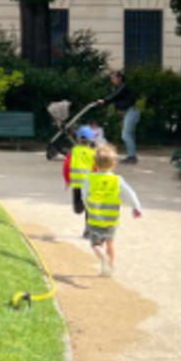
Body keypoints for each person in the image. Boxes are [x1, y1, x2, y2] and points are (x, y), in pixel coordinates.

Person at [83, 145, 143, 277]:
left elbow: (84, 194)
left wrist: (88, 206)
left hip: (95, 217)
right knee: (110, 242)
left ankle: (102, 257)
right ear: (114, 164)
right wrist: (136, 207)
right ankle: (108, 268)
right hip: (111, 218)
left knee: (95, 244)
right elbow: (130, 193)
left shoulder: (90, 178)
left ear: (95, 163)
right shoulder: (117, 180)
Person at [96, 71, 140, 164]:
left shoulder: (123, 87)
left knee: (126, 134)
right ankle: (131, 156)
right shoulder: (118, 88)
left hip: (131, 111)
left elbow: (114, 96)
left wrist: (104, 101)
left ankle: (132, 157)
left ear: (120, 78)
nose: (112, 80)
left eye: (114, 78)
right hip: (129, 112)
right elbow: (119, 100)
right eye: (111, 78)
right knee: (128, 134)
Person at [63, 126, 97, 236]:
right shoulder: (93, 153)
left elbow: (66, 167)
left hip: (80, 185)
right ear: (91, 140)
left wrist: (67, 180)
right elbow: (96, 168)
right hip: (85, 185)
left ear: (78, 139)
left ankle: (88, 231)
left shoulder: (72, 152)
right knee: (83, 209)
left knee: (79, 209)